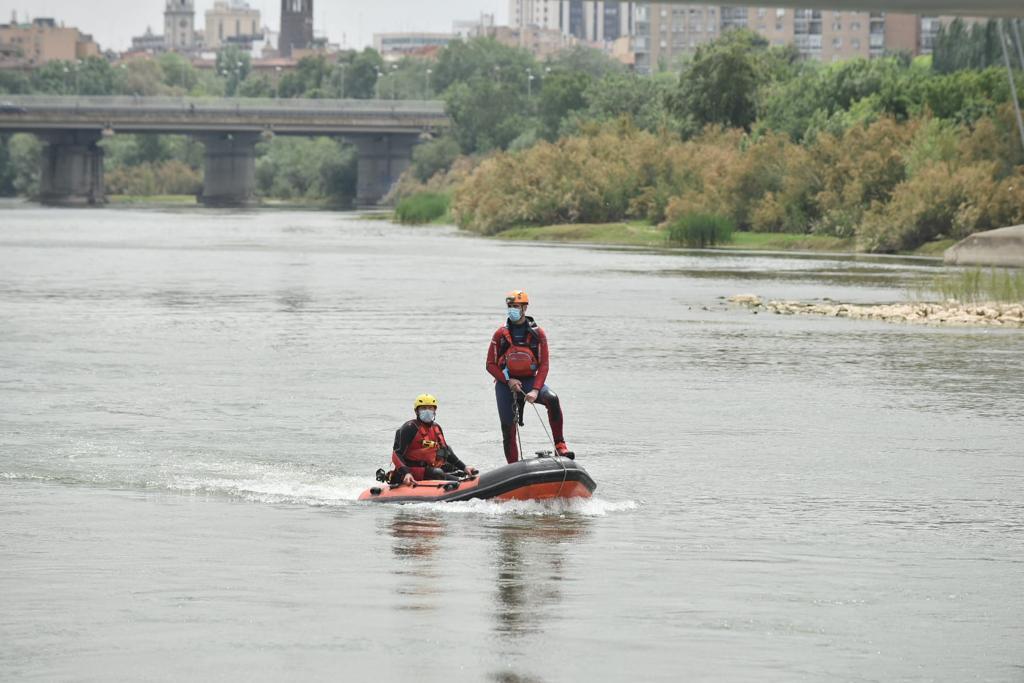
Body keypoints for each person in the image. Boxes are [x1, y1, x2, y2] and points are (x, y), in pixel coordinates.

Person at [486, 290, 572, 463]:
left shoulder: (538, 334)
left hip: (529, 381)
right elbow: (490, 364)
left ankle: (560, 446)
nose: (512, 310)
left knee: (552, 399)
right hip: (506, 383)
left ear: (525, 308)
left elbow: (544, 365)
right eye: (510, 306)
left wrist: (535, 390)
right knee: (507, 427)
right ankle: (513, 466)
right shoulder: (500, 335)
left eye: (516, 306)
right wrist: (508, 381)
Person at [390, 394, 476, 486]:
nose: (427, 411)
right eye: (423, 408)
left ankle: (463, 481)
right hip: (410, 470)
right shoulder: (410, 427)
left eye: (430, 408)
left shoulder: (436, 428)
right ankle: (461, 484)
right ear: (416, 411)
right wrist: (406, 472)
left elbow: (446, 452)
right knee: (438, 473)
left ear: (435, 410)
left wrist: (464, 467)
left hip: (428, 467)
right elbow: (396, 454)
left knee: (453, 467)